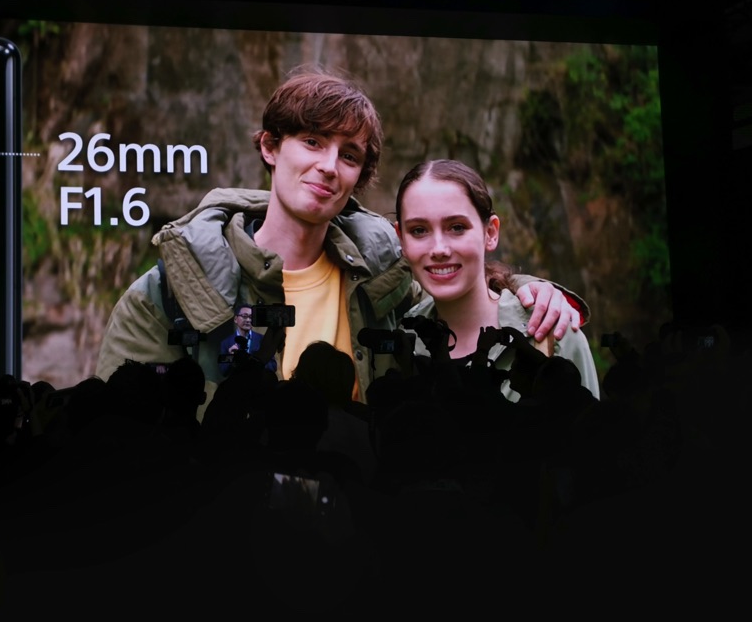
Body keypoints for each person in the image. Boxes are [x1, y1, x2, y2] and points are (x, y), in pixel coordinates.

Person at [95, 67, 585, 402]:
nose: (329, 166)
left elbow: (464, 294)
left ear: (358, 177)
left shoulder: (385, 281)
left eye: (349, 155)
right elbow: (109, 439)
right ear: (270, 147)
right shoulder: (170, 293)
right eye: (312, 141)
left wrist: (528, 291)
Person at [394, 158, 599, 400]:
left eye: (457, 227)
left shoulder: (554, 338)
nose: (439, 249)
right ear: (401, 238)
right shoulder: (398, 345)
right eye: (419, 230)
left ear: (490, 233)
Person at [218, 304, 278, 376]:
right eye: (244, 316)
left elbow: (273, 367)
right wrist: (232, 357)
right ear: (235, 319)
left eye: (251, 317)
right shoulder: (226, 343)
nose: (248, 320)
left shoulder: (262, 339)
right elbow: (223, 372)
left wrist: (258, 360)